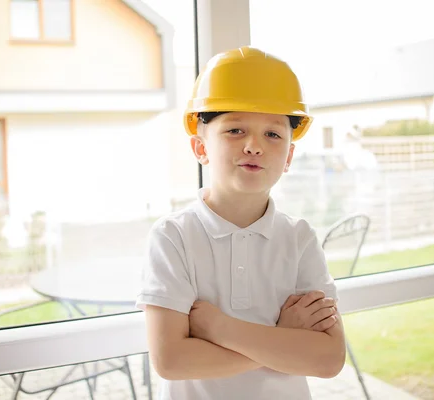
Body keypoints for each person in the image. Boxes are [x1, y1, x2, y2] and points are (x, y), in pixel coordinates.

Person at [136, 46, 346, 400]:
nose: (254, 146)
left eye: (273, 134)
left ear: (289, 155)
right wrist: (282, 338)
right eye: (235, 130)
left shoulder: (299, 239)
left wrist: (220, 328)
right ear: (200, 148)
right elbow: (171, 360)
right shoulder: (173, 237)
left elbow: (328, 359)